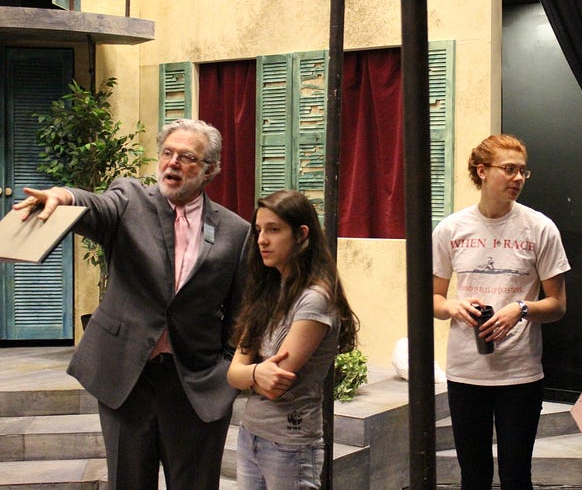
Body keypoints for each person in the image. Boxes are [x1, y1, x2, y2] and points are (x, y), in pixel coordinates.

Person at [14, 119, 251, 490]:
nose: (172, 163)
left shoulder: (236, 231)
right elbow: (96, 206)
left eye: (187, 157)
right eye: (167, 153)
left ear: (209, 170)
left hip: (194, 383)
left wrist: (226, 368)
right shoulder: (128, 199)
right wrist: (65, 197)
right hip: (126, 377)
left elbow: (241, 311)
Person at [432, 134, 571, 490]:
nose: (518, 178)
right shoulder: (451, 229)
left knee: (516, 477)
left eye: (523, 171)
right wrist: (453, 305)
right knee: (473, 477)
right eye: (509, 169)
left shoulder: (540, 228)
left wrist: (521, 309)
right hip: (466, 371)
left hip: (520, 373)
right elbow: (430, 299)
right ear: (482, 171)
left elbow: (557, 305)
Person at [226, 190, 359, 490]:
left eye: (274, 230)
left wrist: (249, 374)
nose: (262, 240)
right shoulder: (268, 291)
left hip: (289, 444)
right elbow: (233, 373)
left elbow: (276, 383)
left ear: (301, 234)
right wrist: (255, 373)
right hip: (250, 434)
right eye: (259, 230)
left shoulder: (314, 299)